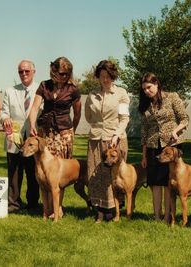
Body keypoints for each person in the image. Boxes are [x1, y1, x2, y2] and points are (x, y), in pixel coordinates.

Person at [29, 57, 81, 216]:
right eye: (61, 73)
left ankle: (58, 208)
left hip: (64, 133)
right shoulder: (44, 85)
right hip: (46, 132)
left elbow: (77, 113)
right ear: (54, 71)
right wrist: (32, 125)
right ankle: (48, 208)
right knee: (43, 169)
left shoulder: (73, 89)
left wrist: (72, 130)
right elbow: (35, 107)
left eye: (67, 74)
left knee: (59, 172)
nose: (64, 76)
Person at [139, 72, 189, 222]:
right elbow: (144, 131)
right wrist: (144, 155)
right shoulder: (146, 105)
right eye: (144, 89)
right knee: (155, 182)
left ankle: (168, 216)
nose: (147, 91)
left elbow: (185, 119)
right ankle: (156, 216)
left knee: (168, 183)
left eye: (149, 87)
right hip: (153, 146)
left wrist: (176, 131)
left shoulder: (172, 97)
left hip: (172, 146)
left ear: (156, 84)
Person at [85, 60, 130, 223]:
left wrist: (116, 134)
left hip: (114, 140)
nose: (105, 79)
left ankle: (113, 210)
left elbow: (124, 118)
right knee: (96, 176)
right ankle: (100, 211)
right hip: (96, 140)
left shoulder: (121, 94)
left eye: (108, 76)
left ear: (113, 77)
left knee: (114, 177)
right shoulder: (91, 96)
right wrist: (98, 127)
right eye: (102, 76)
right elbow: (88, 117)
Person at [0, 60, 40, 213]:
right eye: (20, 71)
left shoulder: (41, 90)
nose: (23, 74)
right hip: (13, 139)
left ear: (34, 72)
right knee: (14, 173)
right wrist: (5, 119)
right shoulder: (10, 91)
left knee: (33, 173)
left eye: (27, 71)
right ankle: (13, 204)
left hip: (32, 139)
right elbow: (3, 112)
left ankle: (33, 204)